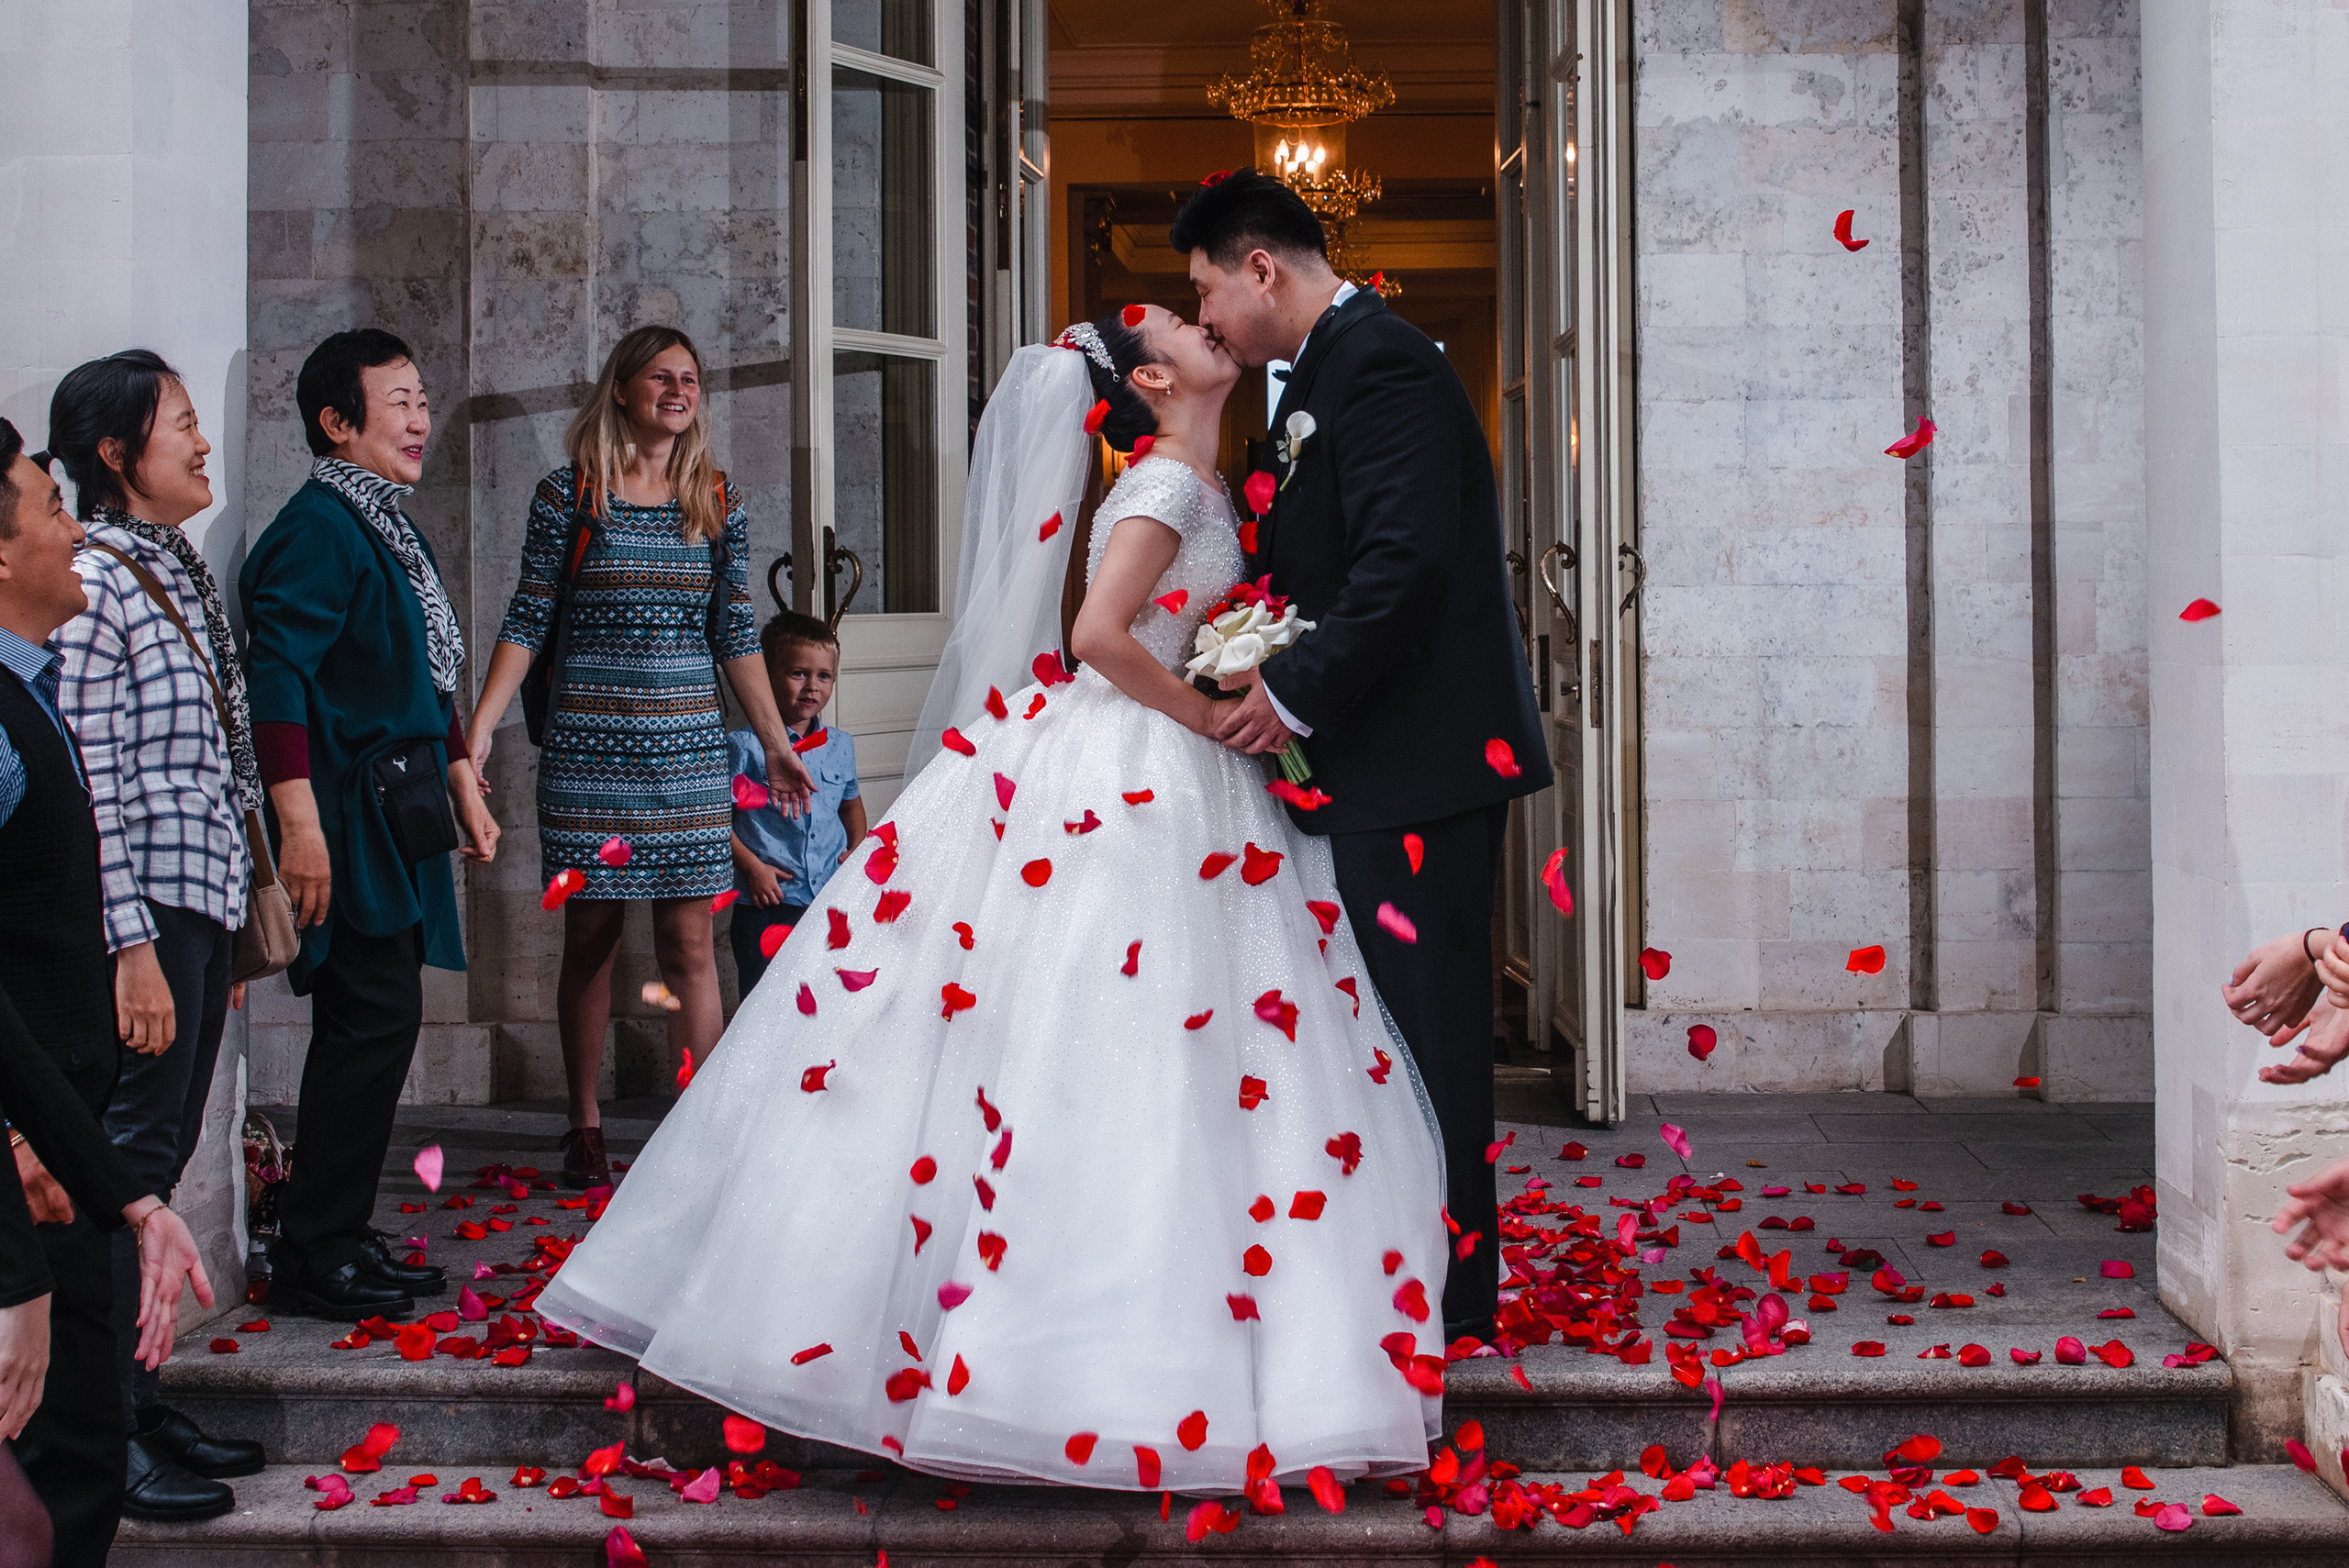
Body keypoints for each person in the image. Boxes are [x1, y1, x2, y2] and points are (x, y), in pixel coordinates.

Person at [537, 309, 1446, 1494]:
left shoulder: (1196, 477)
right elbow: (1097, 636)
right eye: (1182, 322)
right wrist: (1207, 710)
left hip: (1172, 761)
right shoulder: (1169, 486)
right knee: (1133, 1027)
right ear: (1160, 377)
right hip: (1149, 758)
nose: (1206, 317)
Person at [1177, 169, 1551, 1340]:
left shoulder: (1380, 364)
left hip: (1420, 769)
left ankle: (1456, 1306)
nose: (1207, 324)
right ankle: (1412, 1283)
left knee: (1430, 1034)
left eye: (1205, 293)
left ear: (1261, 269)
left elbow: (1404, 568)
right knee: (1385, 1036)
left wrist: (1284, 692)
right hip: (1385, 767)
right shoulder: (1330, 372)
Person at [466, 326, 811, 1190]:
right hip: (587, 752)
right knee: (590, 936)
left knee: (690, 944)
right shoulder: (571, 494)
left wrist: (775, 742)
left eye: (690, 378)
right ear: (620, 389)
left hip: (688, 753)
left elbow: (733, 633)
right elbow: (527, 617)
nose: (678, 389)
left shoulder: (716, 498)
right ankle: (584, 1121)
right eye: (660, 376)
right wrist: (477, 733)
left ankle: (705, 1126)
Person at [239, 330, 500, 1319]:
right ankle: (315, 1249)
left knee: (380, 1020)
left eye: (422, 398)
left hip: (400, 811)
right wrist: (297, 826)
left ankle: (332, 1229)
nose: (420, 418)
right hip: (345, 819)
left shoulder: (390, 526)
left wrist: (467, 781)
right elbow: (279, 680)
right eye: (397, 402)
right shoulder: (319, 528)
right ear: (336, 422)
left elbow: (432, 680)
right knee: (367, 1018)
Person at [46, 350, 265, 1520]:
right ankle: (100, 1425)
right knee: (121, 1173)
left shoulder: (165, 570)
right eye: (182, 422)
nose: (202, 439)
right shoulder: (96, 579)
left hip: (193, 909)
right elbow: (92, 786)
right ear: (119, 453)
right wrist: (132, 945)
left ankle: (135, 1397)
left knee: (157, 1161)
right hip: (145, 918)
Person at [0, 418, 216, 1564]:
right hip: (32, 1171)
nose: (74, 532)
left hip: (62, 1153)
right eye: (47, 509)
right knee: (53, 1483)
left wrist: (125, 1198)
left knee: (73, 1466)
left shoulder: (24, 693)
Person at [728, 611, 865, 993]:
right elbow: (717, 821)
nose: (812, 687)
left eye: (824, 676)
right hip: (767, 901)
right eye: (797, 674)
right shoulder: (744, 747)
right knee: (763, 1001)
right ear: (767, 676)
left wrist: (857, 847)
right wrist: (753, 868)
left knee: (823, 996)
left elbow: (851, 806)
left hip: (828, 898)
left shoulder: (841, 745)